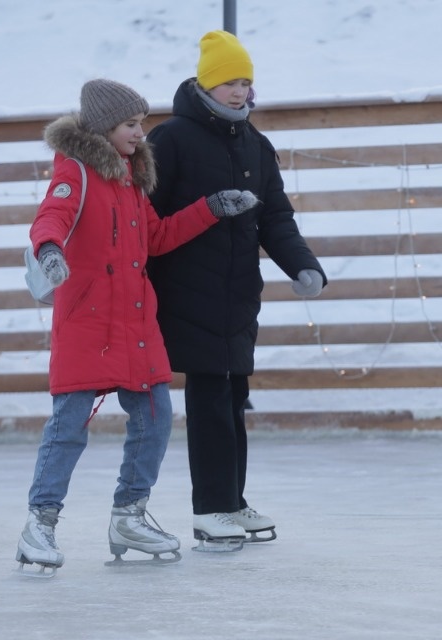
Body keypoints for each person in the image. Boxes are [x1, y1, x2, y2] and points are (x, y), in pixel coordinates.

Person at [16, 78, 259, 575]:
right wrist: (50, 252)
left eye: (142, 123)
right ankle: (39, 524)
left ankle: (129, 514)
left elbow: (157, 236)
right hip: (87, 323)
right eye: (131, 124)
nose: (140, 132)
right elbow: (50, 217)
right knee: (68, 429)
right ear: (106, 127)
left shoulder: (130, 178)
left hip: (134, 325)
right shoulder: (77, 173)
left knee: (155, 416)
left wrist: (210, 208)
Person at [146, 31, 328, 551]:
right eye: (229, 81)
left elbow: (276, 216)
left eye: (245, 82)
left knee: (233, 398)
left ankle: (232, 500)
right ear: (206, 83)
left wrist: (302, 266)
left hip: (238, 292)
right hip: (185, 289)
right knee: (209, 395)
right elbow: (148, 220)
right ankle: (210, 510)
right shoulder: (172, 139)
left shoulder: (256, 143)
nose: (238, 91)